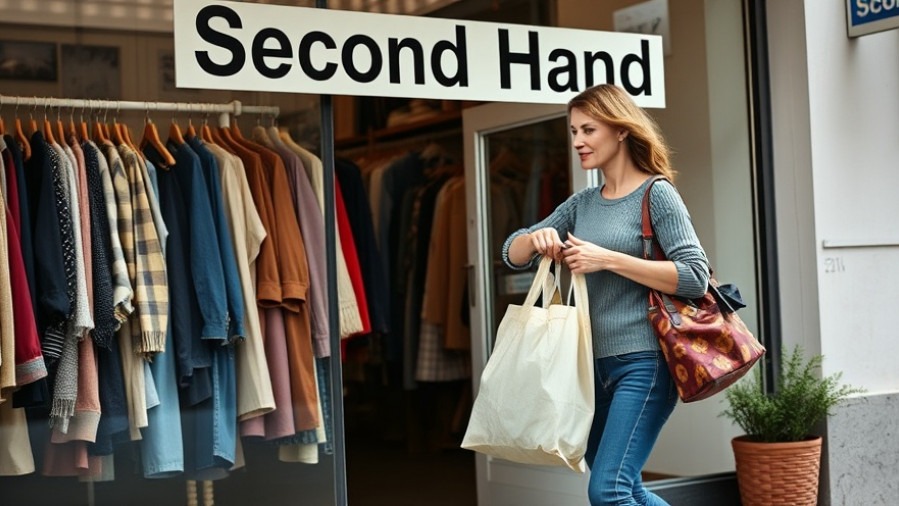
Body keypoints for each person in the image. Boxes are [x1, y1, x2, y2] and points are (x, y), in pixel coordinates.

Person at [502, 84, 710, 506]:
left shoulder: (657, 194)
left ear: (620, 130)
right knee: (627, 489)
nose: (577, 141)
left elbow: (695, 277)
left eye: (588, 130)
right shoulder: (583, 203)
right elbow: (511, 253)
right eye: (573, 131)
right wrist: (534, 239)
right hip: (590, 369)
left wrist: (607, 259)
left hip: (644, 362)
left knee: (608, 491)